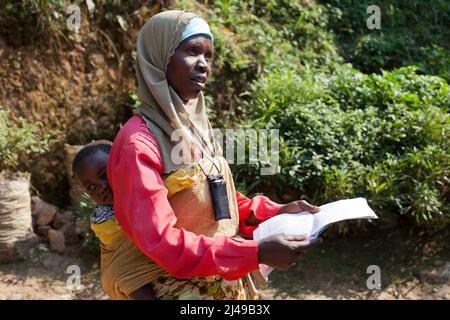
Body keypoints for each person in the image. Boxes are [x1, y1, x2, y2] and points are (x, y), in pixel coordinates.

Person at [106, 10, 321, 299]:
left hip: (219, 279)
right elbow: (162, 241)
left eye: (208, 56)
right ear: (159, 58)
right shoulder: (138, 143)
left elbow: (217, 201)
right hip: (174, 287)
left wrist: (276, 212)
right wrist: (253, 252)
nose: (204, 65)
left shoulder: (197, 128)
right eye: (192, 52)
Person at [72, 140, 158, 300]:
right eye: (91, 187)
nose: (101, 187)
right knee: (126, 276)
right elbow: (118, 257)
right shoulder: (104, 218)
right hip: (131, 276)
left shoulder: (149, 188)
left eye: (104, 175)